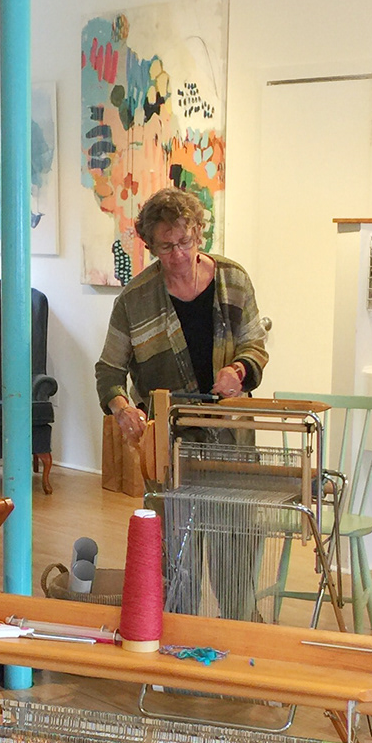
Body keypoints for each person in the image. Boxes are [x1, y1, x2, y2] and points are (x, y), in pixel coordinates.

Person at [93, 187, 269, 618]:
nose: (177, 254)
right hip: (169, 448)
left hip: (232, 444)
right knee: (177, 561)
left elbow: (255, 346)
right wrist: (122, 408)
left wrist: (240, 371)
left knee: (236, 557)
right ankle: (176, 646)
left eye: (185, 242)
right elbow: (109, 373)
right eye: (166, 246)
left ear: (198, 234)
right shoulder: (134, 301)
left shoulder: (234, 280)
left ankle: (237, 636)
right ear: (150, 246)